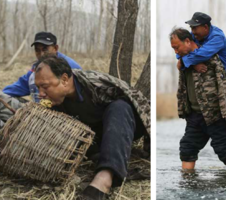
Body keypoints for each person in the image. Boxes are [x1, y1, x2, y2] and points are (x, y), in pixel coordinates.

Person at [34, 55, 150, 200]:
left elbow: (140, 106)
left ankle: (105, 178)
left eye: (44, 87)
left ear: (64, 80)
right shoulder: (54, 101)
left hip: (124, 123)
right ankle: (98, 155)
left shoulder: (96, 84)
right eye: (38, 88)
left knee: (119, 107)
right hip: (95, 134)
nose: (41, 94)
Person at [170, 27, 226, 172]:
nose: (175, 52)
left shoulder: (211, 58)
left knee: (225, 151)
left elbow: (224, 87)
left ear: (188, 41)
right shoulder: (184, 61)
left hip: (215, 115)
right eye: (173, 48)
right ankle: (187, 183)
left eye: (177, 47)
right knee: (187, 148)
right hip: (194, 116)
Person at [176, 12, 226, 141]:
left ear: (206, 27)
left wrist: (186, 62)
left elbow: (202, 54)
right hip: (214, 79)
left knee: (225, 92)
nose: (193, 31)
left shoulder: (217, 37)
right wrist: (192, 65)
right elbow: (181, 51)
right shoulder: (194, 36)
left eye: (195, 28)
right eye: (191, 28)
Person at [3, 31, 82, 102]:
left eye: (45, 49)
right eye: (37, 50)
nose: (41, 54)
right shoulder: (37, 69)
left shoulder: (71, 67)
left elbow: (80, 96)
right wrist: (0, 95)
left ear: (55, 48)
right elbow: (20, 85)